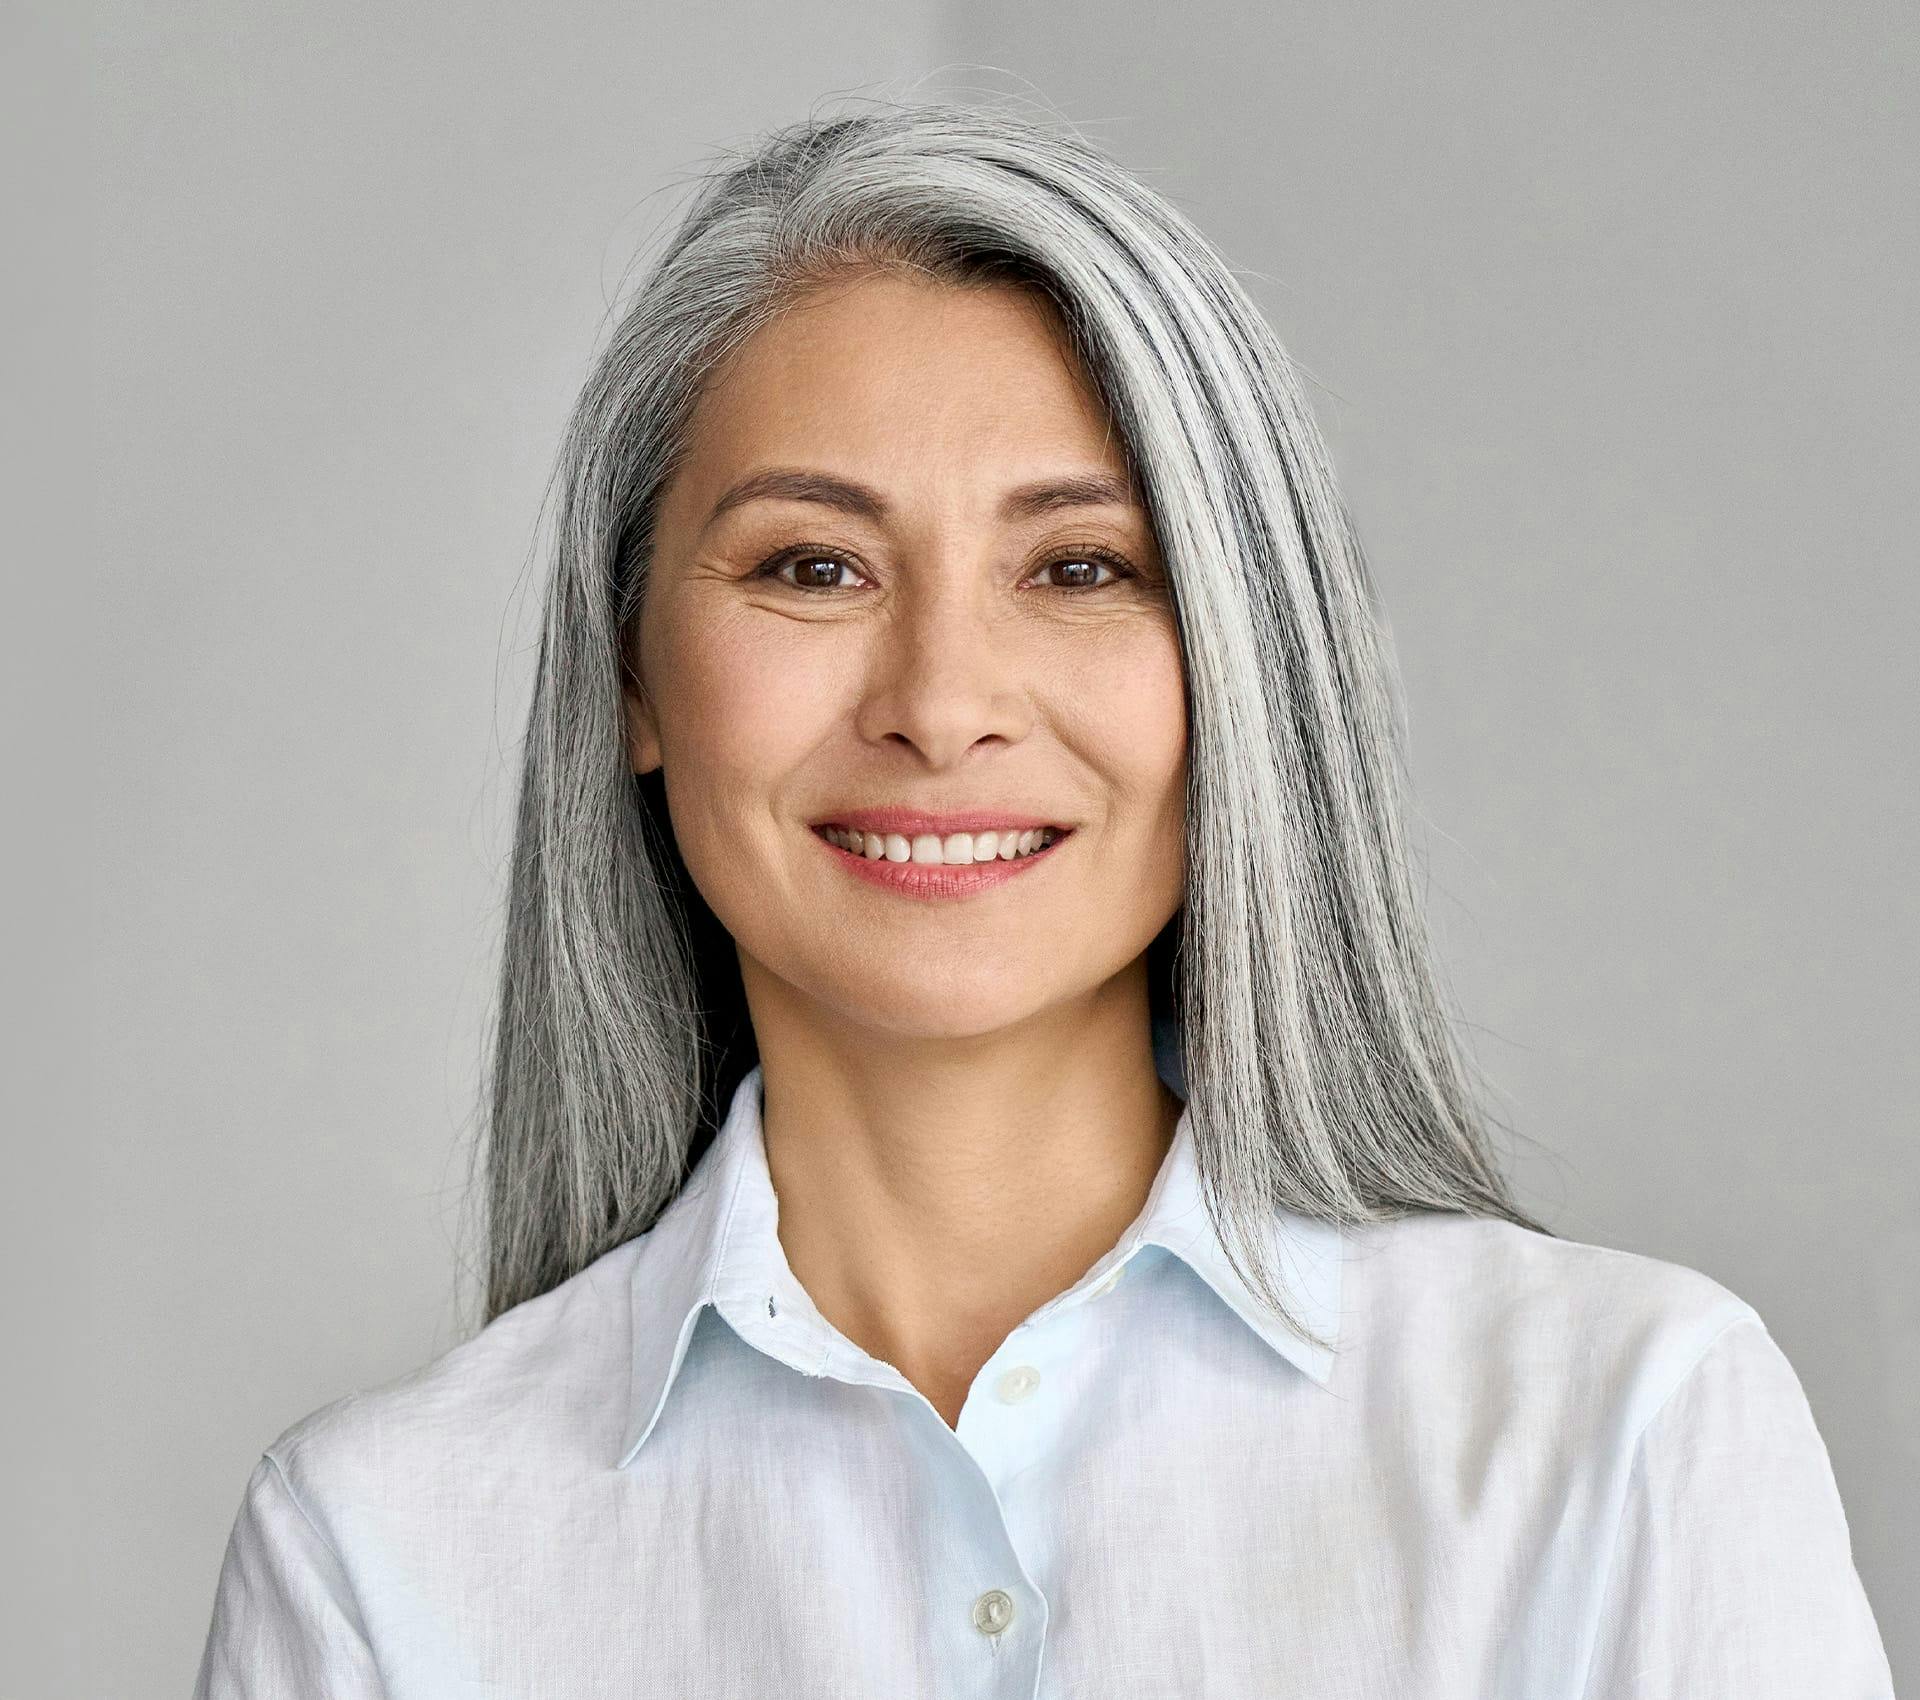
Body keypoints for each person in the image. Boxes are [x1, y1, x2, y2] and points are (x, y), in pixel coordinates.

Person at [192, 99, 1895, 1697]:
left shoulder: (1623, 1434)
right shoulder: (378, 1556)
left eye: (1080, 568)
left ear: (1242, 666)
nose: (942, 701)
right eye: (812, 566)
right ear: (636, 674)